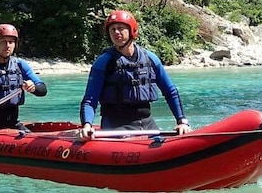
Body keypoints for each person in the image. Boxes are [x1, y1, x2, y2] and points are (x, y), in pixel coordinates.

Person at [79, 9, 191, 141]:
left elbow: (170, 92)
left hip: (147, 123)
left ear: (132, 31)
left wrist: (182, 121)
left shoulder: (150, 58)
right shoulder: (103, 62)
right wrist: (87, 125)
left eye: (120, 28)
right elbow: (89, 100)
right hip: (115, 126)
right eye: (112, 29)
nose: (116, 32)